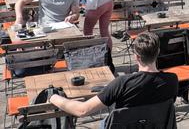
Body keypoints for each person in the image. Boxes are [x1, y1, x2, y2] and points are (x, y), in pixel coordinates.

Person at [49, 32, 178, 118]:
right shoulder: (173, 80)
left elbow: (82, 110)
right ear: (158, 52)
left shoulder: (122, 83)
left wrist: (53, 97)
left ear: (136, 56)